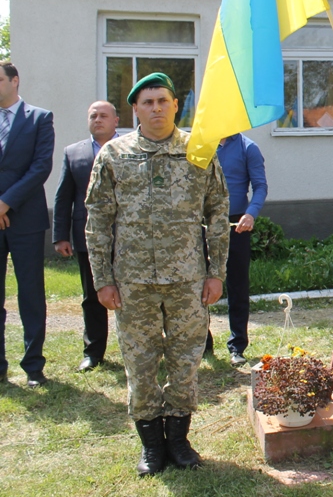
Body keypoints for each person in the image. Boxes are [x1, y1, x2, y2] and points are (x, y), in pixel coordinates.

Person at [86, 73, 229, 476]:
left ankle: (179, 442)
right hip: (133, 281)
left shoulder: (198, 150)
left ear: (175, 105)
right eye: (147, 102)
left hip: (187, 279)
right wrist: (103, 279)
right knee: (140, 362)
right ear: (134, 109)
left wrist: (215, 272)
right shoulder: (114, 154)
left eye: (163, 100)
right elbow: (98, 220)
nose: (156, 108)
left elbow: (218, 213)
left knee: (185, 361)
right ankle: (151, 446)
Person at [53, 100, 119, 373]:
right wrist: (61, 236)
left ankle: (143, 351)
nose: (98, 119)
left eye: (104, 115)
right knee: (92, 296)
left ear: (116, 121)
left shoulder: (130, 149)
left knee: (139, 297)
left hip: (128, 237)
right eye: (93, 116)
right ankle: (93, 352)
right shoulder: (73, 153)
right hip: (88, 238)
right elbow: (63, 197)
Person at [0, 62, 54, 388]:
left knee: (30, 294)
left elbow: (40, 167)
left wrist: (5, 203)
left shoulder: (39, 118)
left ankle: (33, 367)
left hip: (26, 219)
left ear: (14, 80)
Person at [204, 134, 267, 366]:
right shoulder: (202, 144)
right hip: (203, 222)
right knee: (199, 283)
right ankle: (203, 343)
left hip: (236, 225)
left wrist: (251, 214)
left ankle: (237, 346)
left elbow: (260, 186)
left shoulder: (248, 148)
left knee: (237, 285)